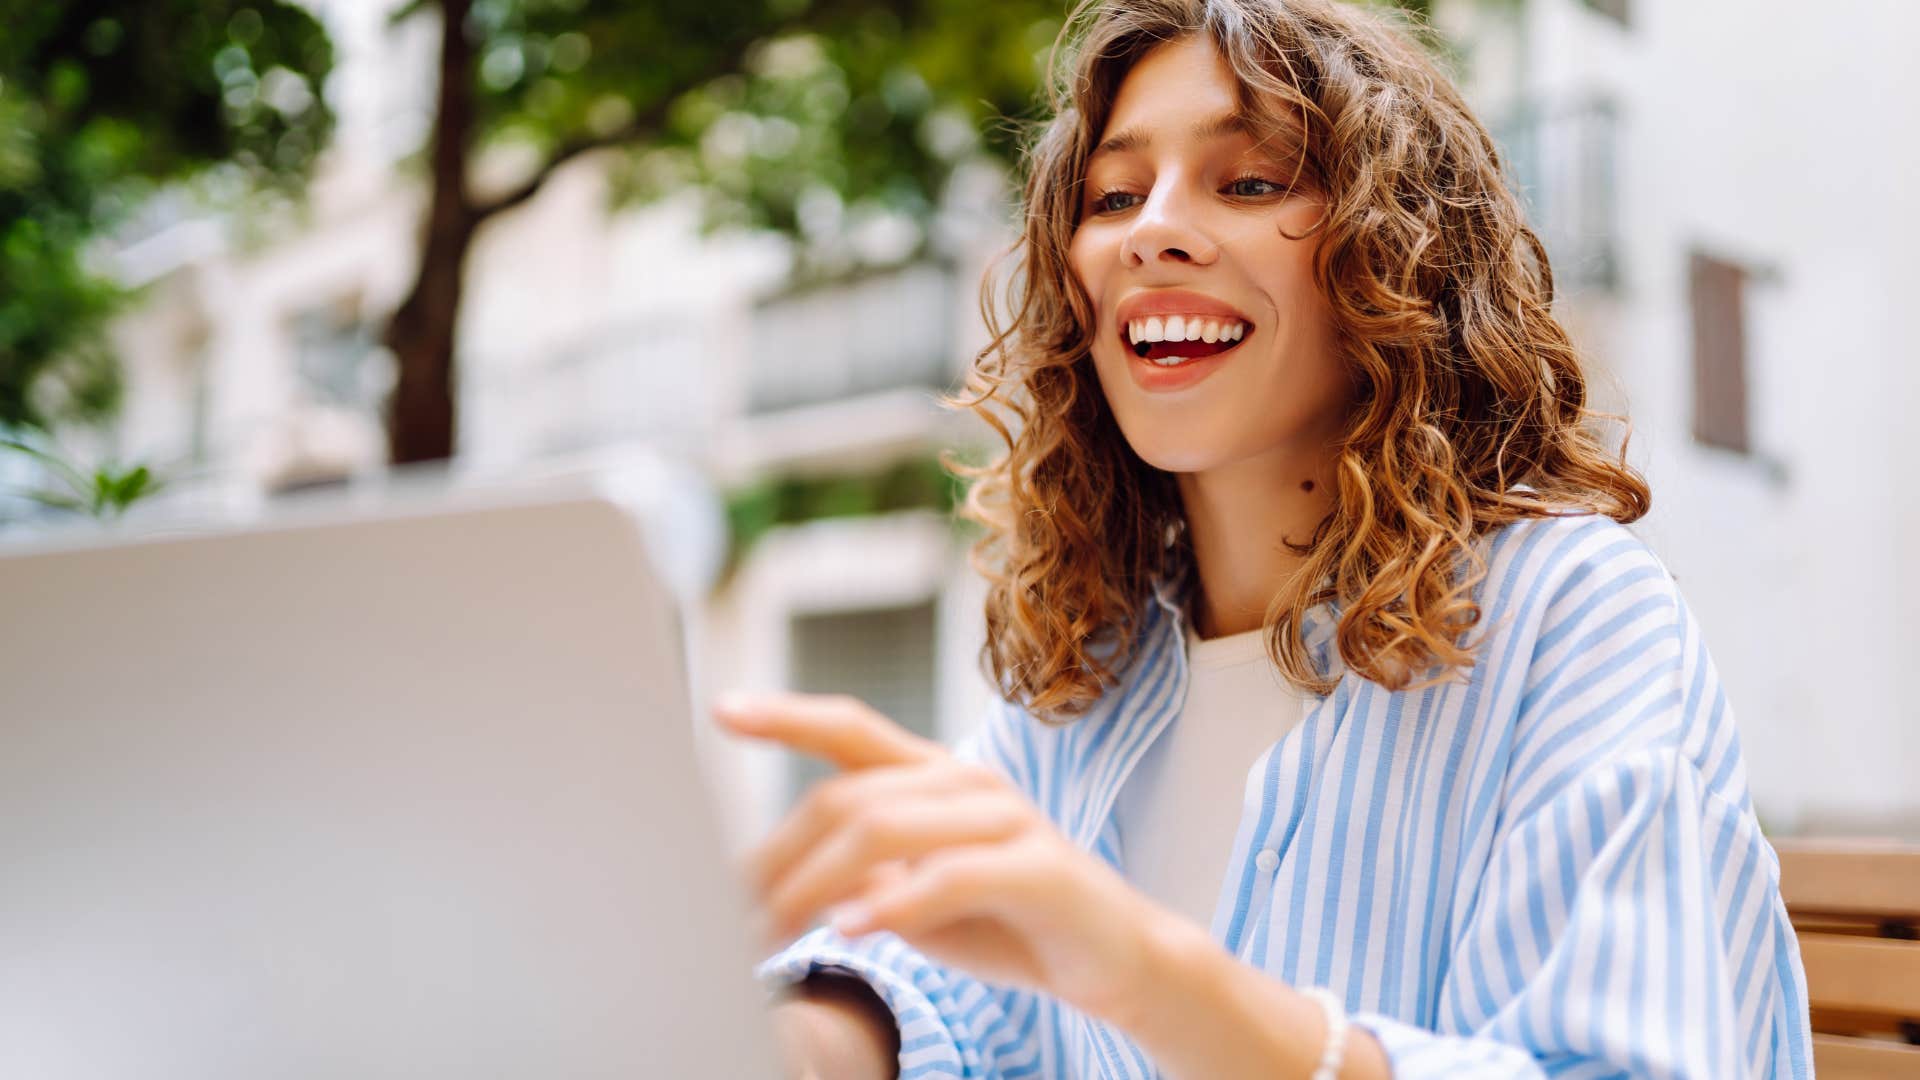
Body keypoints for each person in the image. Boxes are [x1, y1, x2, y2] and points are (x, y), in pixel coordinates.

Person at [713, 0, 1815, 1076]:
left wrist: (1144, 971)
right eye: (1113, 196)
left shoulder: (1573, 614)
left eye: (1250, 181)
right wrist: (798, 1044)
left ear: (1401, 261)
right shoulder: (1102, 662)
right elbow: (936, 982)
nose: (1151, 230)